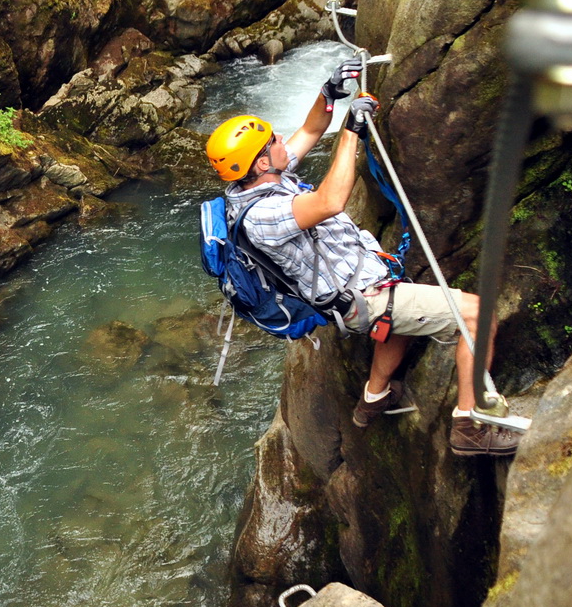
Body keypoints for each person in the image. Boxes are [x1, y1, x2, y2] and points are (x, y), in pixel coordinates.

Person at [205, 59, 518, 456]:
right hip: (361, 297)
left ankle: (374, 398)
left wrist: (329, 93)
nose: (281, 138)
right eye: (272, 141)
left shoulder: (262, 180)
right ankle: (471, 425)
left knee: (398, 320)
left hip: (364, 282)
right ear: (262, 162)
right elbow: (331, 201)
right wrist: (352, 130)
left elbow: (311, 129)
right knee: (477, 316)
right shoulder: (263, 216)